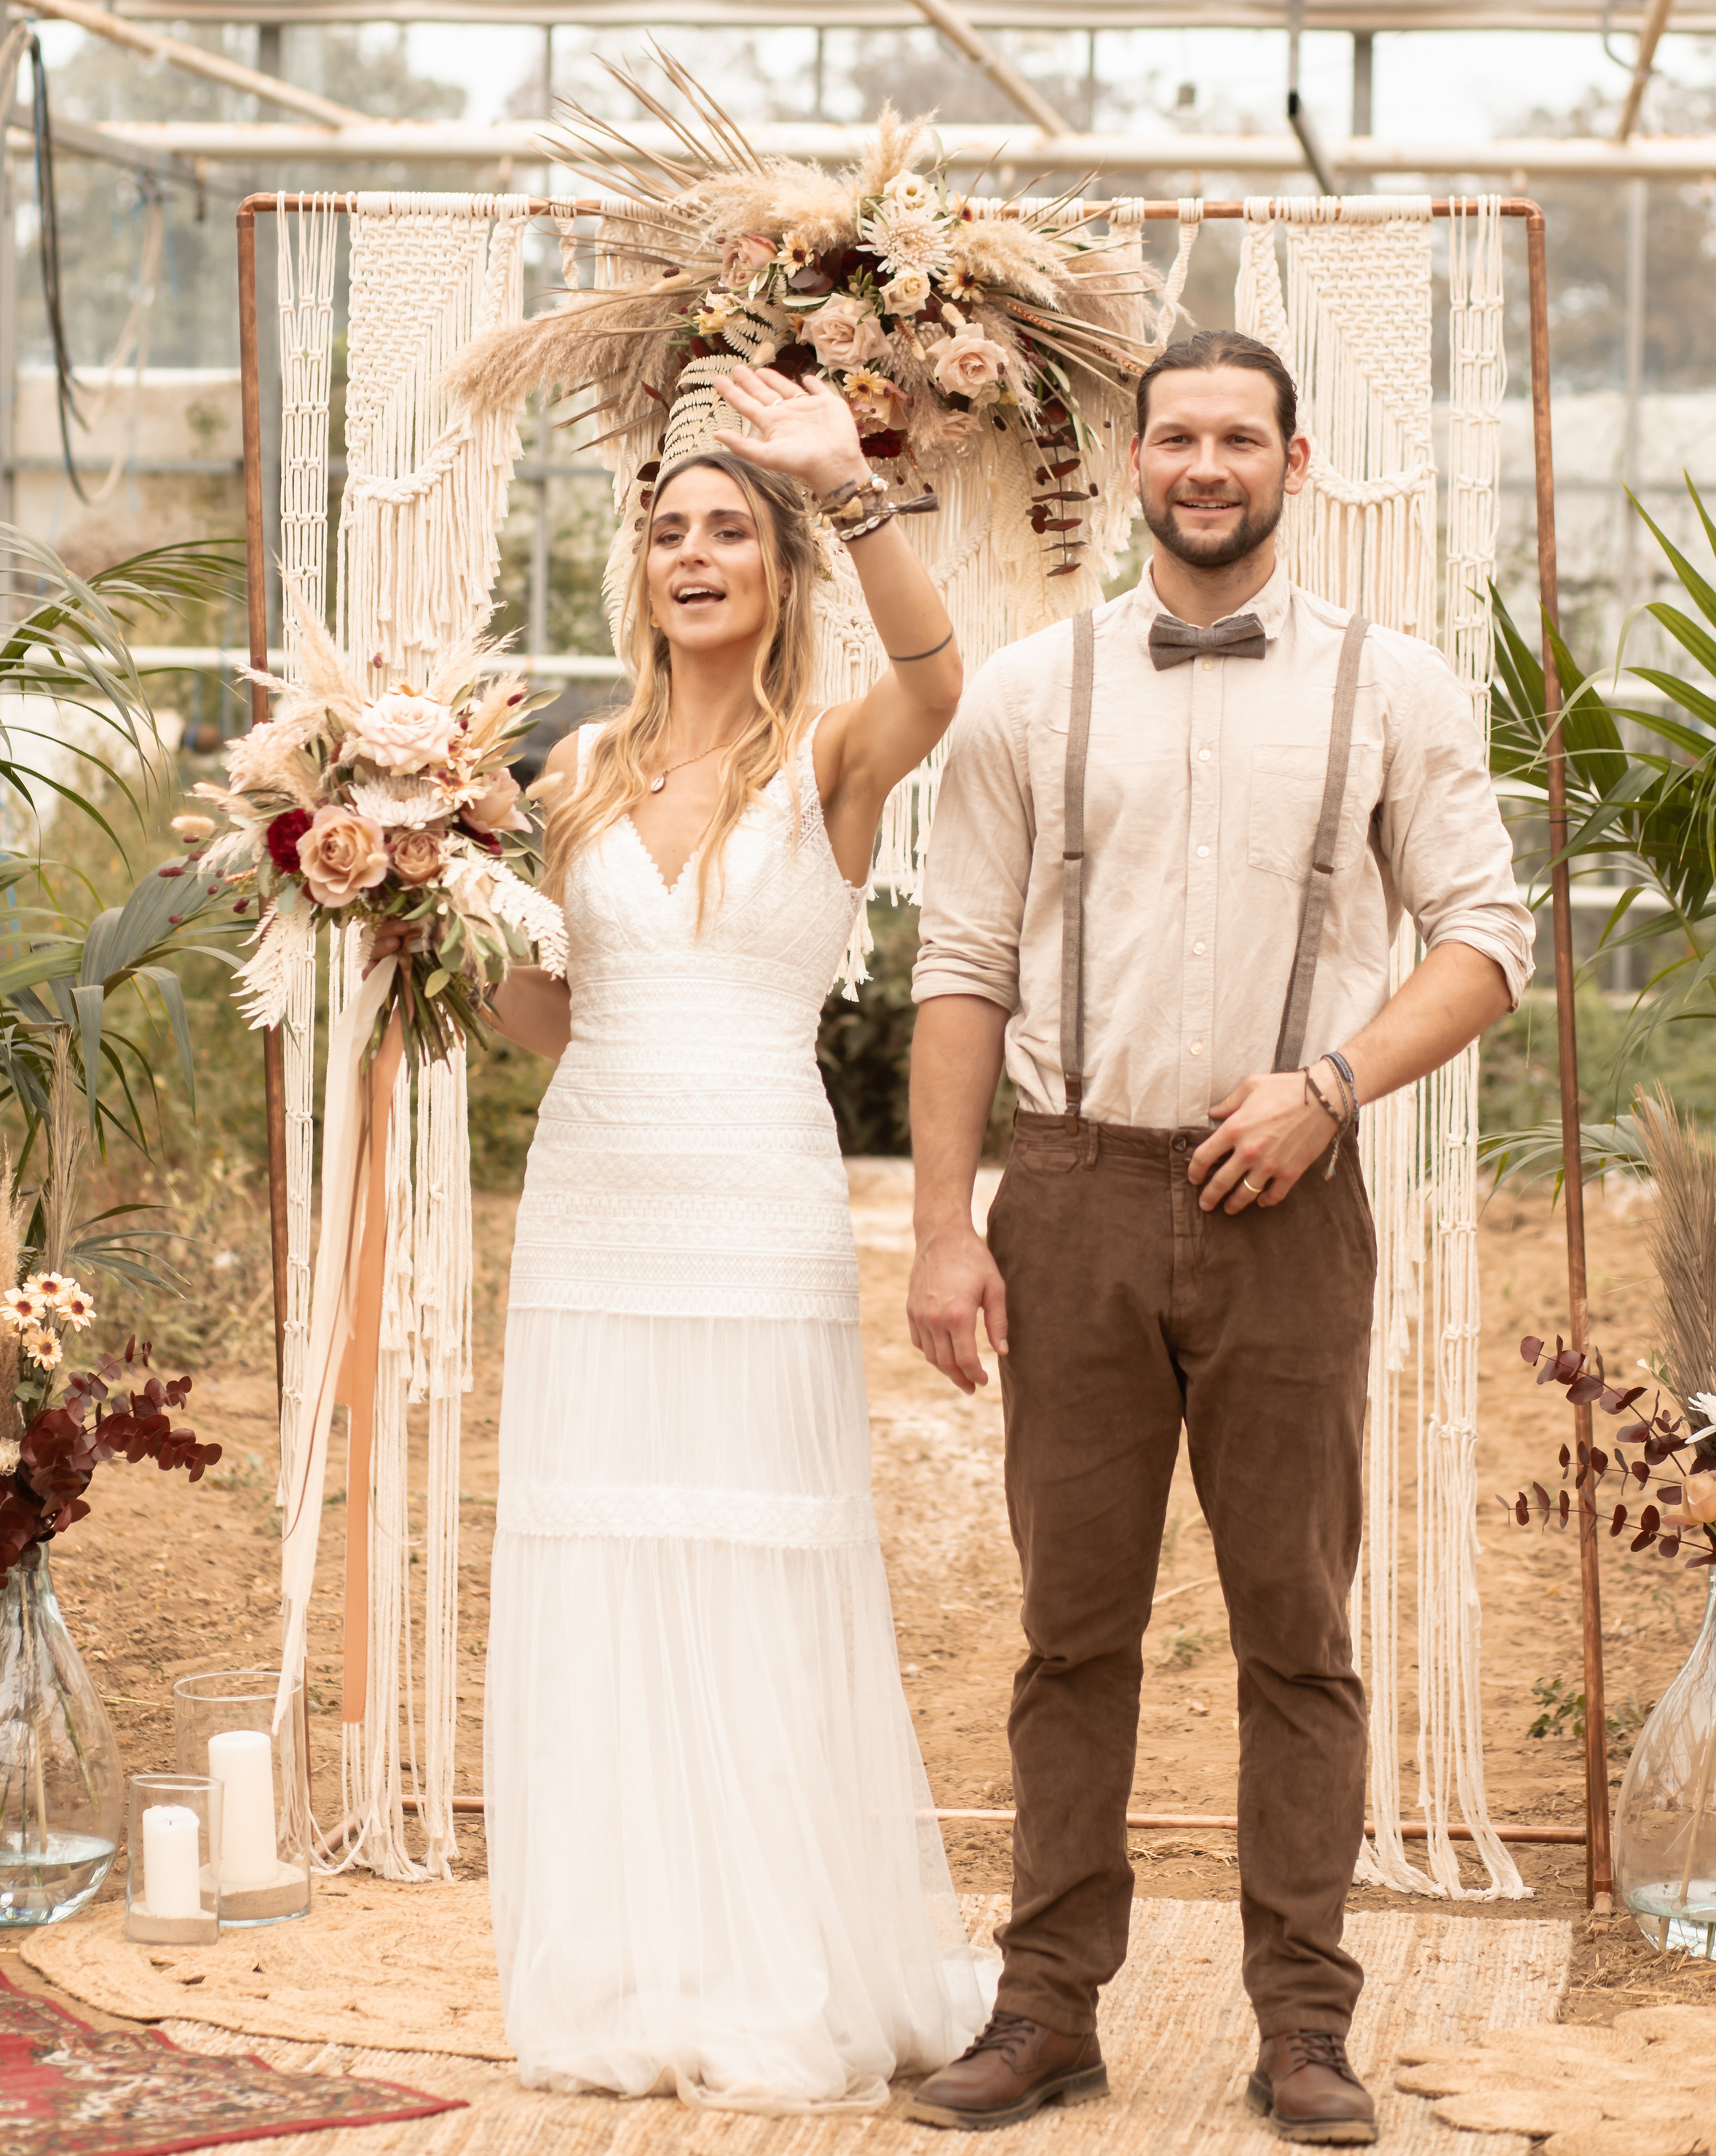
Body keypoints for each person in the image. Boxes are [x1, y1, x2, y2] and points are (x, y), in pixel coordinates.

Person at [903, 330, 1535, 2142]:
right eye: (1174, 435)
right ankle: (1043, 2011)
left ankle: (1301, 2024)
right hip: (1074, 1191)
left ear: (1294, 460)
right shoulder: (1029, 692)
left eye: (1235, 436)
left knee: (1294, 1630)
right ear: (1132, 462)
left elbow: (1483, 936)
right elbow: (956, 969)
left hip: (1289, 1200)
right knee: (1067, 1628)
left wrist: (1326, 1084)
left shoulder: (1390, 688)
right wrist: (945, 1228)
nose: (1203, 463)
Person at [483, 365, 987, 2111]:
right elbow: (547, 1014)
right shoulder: (574, 767)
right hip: (592, 1198)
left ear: (776, 569)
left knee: (762, 1566)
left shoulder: (834, 750)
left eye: (724, 532)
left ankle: (780, 1956)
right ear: (639, 574)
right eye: (665, 533)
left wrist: (841, 482)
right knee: (605, 1563)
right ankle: (633, 1957)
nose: (692, 556)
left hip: (757, 1199)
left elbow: (942, 677)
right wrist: (422, 903)